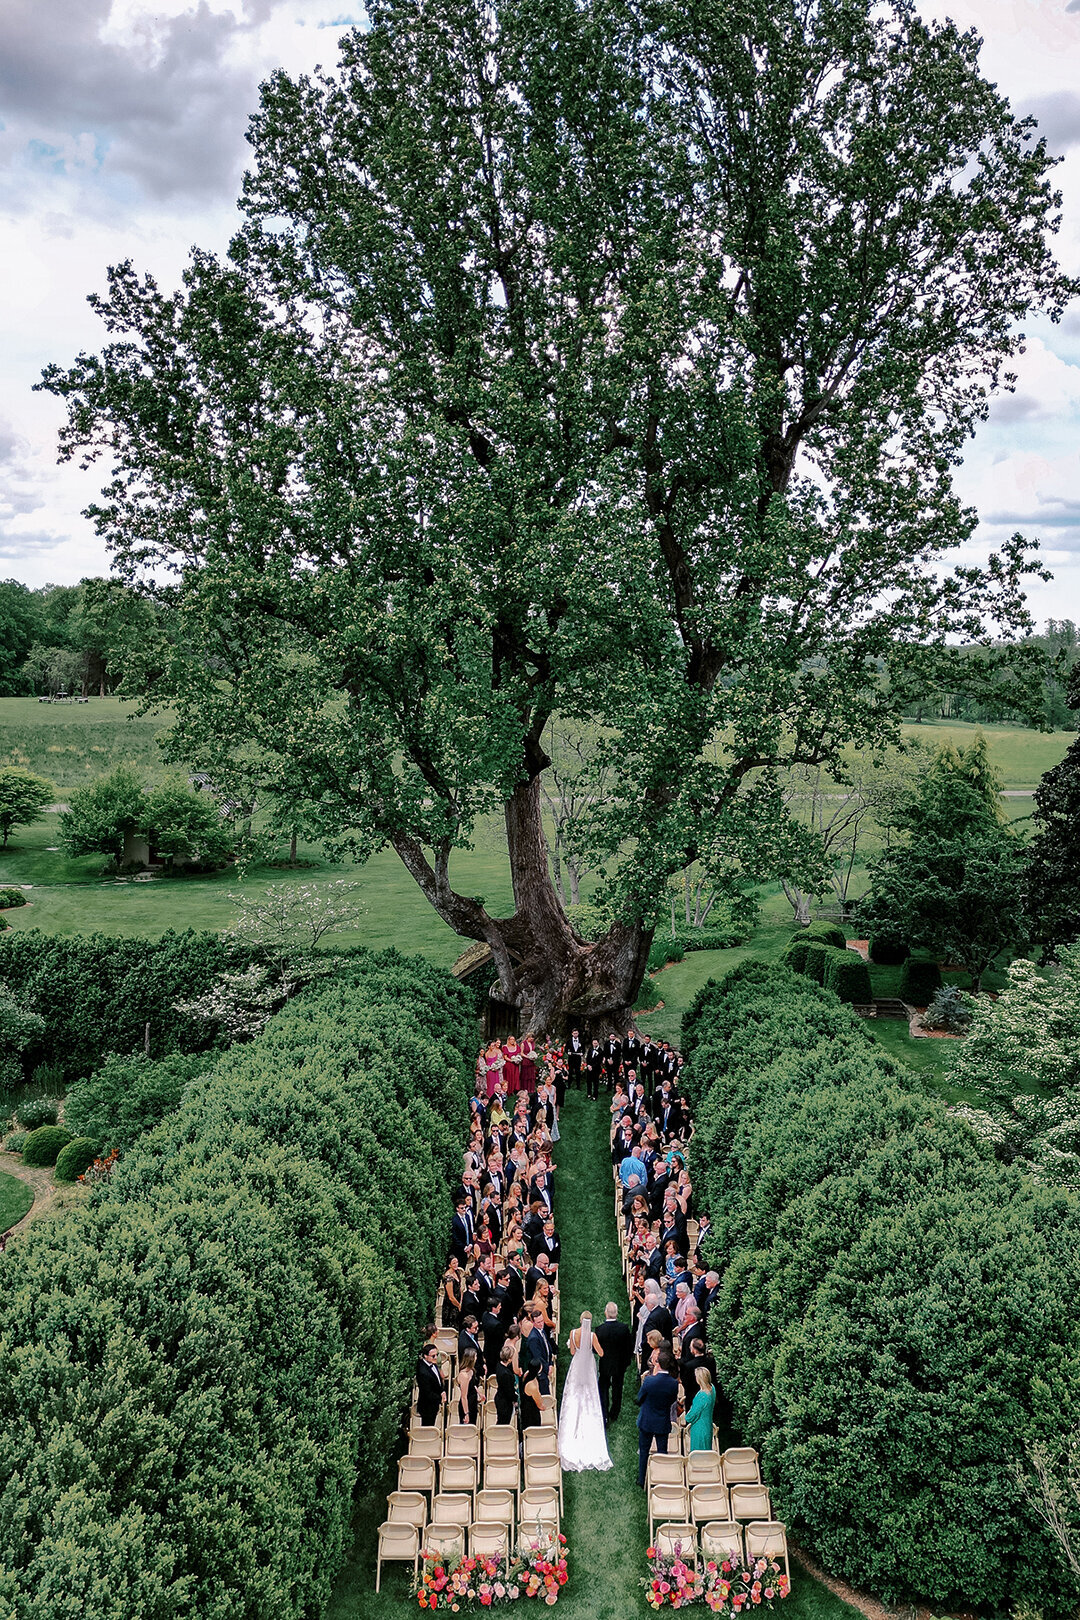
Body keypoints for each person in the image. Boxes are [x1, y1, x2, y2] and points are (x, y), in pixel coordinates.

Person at [558, 1311, 613, 1472]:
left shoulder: (573, 1333)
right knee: (590, 1392)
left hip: (576, 1365)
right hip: (588, 1365)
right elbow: (601, 1353)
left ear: (580, 1320)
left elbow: (573, 1353)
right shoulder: (592, 1336)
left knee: (573, 1391)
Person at [635, 1347, 680, 1486]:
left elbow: (639, 1398)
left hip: (647, 1420)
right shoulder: (673, 1383)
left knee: (644, 1450)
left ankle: (641, 1479)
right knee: (662, 1451)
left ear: (658, 1364)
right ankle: (662, 1478)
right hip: (662, 1420)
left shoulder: (649, 1381)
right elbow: (673, 1399)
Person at [595, 1301, 632, 1426]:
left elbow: (596, 1348)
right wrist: (626, 1363)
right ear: (616, 1313)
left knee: (603, 1388)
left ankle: (604, 1414)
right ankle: (614, 1413)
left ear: (606, 1313)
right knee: (617, 1388)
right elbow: (629, 1347)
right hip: (619, 1365)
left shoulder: (600, 1330)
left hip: (605, 1365)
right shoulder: (624, 1329)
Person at [685, 1365, 716, 1451]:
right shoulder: (712, 1388)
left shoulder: (702, 1396)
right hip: (707, 1426)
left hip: (699, 1429)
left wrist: (689, 1411)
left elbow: (690, 1417)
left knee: (698, 1454)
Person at [415, 1342, 445, 1426]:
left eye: (437, 1355)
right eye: (433, 1356)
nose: (436, 1358)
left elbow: (438, 1380)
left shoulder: (432, 1363)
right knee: (427, 1428)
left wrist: (442, 1391)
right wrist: (440, 1398)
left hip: (433, 1403)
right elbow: (427, 1392)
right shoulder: (423, 1372)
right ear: (425, 1356)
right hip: (427, 1406)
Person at [494, 1341, 518, 1425]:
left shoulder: (500, 1365)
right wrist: (515, 1398)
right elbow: (509, 1391)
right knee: (503, 1422)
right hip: (504, 1402)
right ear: (509, 1359)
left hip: (501, 1397)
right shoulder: (505, 1374)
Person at [457, 1347, 480, 1425]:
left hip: (473, 1402)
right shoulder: (464, 1375)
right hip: (466, 1405)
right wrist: (466, 1413)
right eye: (475, 1356)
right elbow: (464, 1396)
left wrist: (480, 1394)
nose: (477, 1358)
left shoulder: (471, 1370)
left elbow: (473, 1385)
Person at [441, 1257, 463, 1327]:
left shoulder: (456, 1272)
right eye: (454, 1263)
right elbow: (451, 1297)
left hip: (458, 1302)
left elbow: (459, 1288)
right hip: (450, 1307)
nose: (456, 1264)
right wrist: (459, 1306)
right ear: (449, 1265)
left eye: (457, 1262)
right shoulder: (448, 1278)